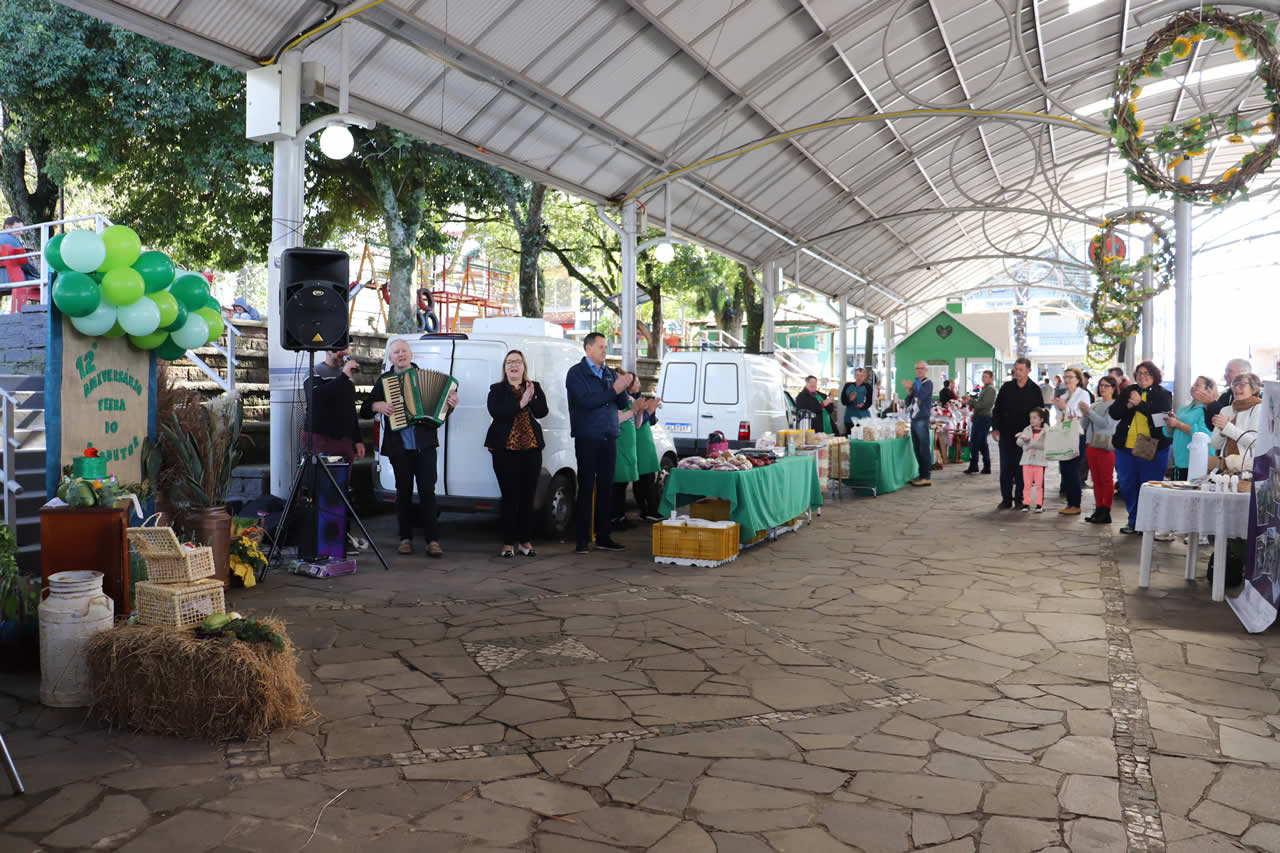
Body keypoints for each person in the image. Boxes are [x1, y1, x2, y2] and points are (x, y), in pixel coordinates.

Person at [361, 338, 459, 557]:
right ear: (390, 357)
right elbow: (365, 410)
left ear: (411, 354)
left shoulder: (424, 377)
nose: (401, 355)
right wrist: (378, 405)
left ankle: (432, 541)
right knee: (403, 493)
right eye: (396, 352)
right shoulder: (385, 381)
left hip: (425, 446)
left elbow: (439, 414)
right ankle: (404, 539)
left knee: (428, 492)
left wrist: (450, 405)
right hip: (399, 448)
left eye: (404, 351)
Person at [566, 332, 631, 554]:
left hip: (609, 436)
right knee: (586, 488)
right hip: (588, 437)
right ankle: (582, 539)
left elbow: (621, 403)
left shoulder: (610, 373)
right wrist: (613, 389)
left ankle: (604, 536)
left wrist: (624, 387)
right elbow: (586, 401)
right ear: (588, 348)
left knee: (606, 488)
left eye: (606, 347)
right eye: (601, 347)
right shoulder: (576, 373)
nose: (605, 351)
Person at [485, 349, 548, 558]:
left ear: (524, 366)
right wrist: (520, 402)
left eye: (518, 362)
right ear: (505, 368)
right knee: (510, 496)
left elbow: (542, 411)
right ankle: (507, 543)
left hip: (531, 450)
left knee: (527, 496)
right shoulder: (497, 390)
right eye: (510, 362)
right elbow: (498, 412)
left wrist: (530, 399)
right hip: (505, 451)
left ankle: (525, 541)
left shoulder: (533, 387)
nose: (514, 365)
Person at [1110, 360, 1173, 535]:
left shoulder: (1163, 394)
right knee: (1127, 484)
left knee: (1148, 485)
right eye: (1139, 373)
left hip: (1149, 444)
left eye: (1147, 373)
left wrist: (1140, 404)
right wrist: (1128, 405)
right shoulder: (1129, 391)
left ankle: (1149, 522)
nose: (1142, 377)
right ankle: (1134, 520)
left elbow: (1162, 420)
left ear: (1154, 376)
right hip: (1126, 445)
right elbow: (1114, 413)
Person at [992, 357, 1045, 509]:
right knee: (1006, 467)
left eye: (1021, 369)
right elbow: (997, 409)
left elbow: (1041, 414)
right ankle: (1006, 498)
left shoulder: (1035, 390)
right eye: (1016, 369)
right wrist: (995, 428)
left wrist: (1038, 434)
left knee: (1022, 469)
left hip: (1026, 436)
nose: (1018, 372)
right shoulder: (1006, 387)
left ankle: (1020, 499)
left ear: (1029, 370)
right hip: (1007, 434)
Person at [302, 347, 366, 464]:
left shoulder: (347, 377)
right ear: (327, 350)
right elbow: (315, 399)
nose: (344, 352)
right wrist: (344, 376)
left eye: (346, 348)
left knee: (343, 480)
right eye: (339, 348)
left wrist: (358, 439)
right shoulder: (315, 371)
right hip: (321, 438)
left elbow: (350, 409)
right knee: (323, 479)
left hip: (345, 440)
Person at [1052, 367, 1090, 515]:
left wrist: (1065, 408)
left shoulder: (1083, 394)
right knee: (1065, 470)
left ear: (1078, 379)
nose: (1067, 380)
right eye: (1065, 377)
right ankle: (1070, 502)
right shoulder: (1066, 395)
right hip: (1064, 435)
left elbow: (1081, 415)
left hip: (1077, 435)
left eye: (1071, 377)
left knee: (1073, 470)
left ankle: (1076, 503)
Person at [1210, 372, 1264, 475]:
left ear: (1254, 389)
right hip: (1226, 468)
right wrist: (1222, 432)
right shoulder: (1225, 410)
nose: (1236, 388)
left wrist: (1227, 427)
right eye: (1234, 385)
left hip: (1249, 470)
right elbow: (1215, 445)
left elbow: (1254, 442)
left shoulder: (1260, 408)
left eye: (1242, 385)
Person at [1165, 376, 1218, 480]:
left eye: (1197, 385)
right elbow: (1168, 433)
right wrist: (1170, 424)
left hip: (1198, 463)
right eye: (1194, 384)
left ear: (1208, 390)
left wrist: (1178, 424)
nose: (1193, 387)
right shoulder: (1184, 408)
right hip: (1180, 462)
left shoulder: (1207, 410)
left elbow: (1204, 434)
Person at [1084, 376, 1120, 525]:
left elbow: (1106, 424)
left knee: (1106, 480)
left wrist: (1088, 412)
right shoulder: (1096, 404)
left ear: (1113, 388)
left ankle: (1106, 510)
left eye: (1106, 386)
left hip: (1105, 445)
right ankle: (1099, 508)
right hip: (1092, 444)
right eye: (1101, 385)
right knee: (1096, 480)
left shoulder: (1115, 405)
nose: (1103, 388)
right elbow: (1085, 422)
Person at [903, 361, 933, 486]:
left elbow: (921, 395)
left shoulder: (928, 383)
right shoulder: (916, 383)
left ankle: (926, 476)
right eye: (917, 368)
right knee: (917, 448)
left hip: (922, 418)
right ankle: (921, 475)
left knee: (923, 449)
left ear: (926, 370)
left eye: (921, 368)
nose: (919, 370)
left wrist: (912, 388)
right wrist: (909, 391)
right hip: (913, 418)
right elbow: (907, 401)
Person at [1016, 407, 1050, 513]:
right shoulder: (1027, 429)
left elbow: (1045, 446)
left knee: (1039, 485)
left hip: (1040, 462)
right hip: (1027, 461)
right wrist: (1023, 440)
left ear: (1041, 419)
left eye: (1035, 418)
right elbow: (1018, 443)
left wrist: (1030, 442)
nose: (1032, 420)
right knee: (1026, 484)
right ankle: (1026, 503)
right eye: (1031, 418)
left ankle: (1039, 504)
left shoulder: (1046, 431)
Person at [964, 369, 996, 474]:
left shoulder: (990, 389)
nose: (983, 378)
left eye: (986, 376)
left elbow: (984, 405)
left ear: (991, 378)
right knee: (981, 443)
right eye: (983, 376)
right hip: (980, 417)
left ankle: (975, 465)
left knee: (975, 442)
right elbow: (980, 404)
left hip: (984, 419)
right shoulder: (985, 388)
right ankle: (985, 466)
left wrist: (971, 401)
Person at [841, 367, 874, 432]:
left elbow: (869, 402)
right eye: (857, 375)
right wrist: (850, 400)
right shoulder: (847, 385)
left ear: (864, 376)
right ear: (854, 376)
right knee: (849, 437)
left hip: (863, 418)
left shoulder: (868, 387)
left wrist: (863, 406)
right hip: (849, 417)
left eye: (861, 376)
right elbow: (843, 401)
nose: (859, 378)